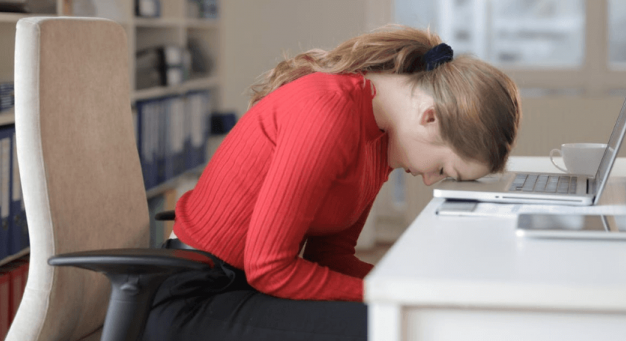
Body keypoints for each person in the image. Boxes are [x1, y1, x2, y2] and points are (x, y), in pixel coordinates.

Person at [144, 25, 521, 341]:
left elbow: (331, 257)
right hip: (197, 297)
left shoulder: (381, 137)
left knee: (412, 318)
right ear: (430, 117)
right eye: (442, 168)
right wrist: (392, 292)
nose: (429, 179)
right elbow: (270, 268)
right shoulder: (330, 113)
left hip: (242, 288)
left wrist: (414, 287)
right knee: (401, 328)